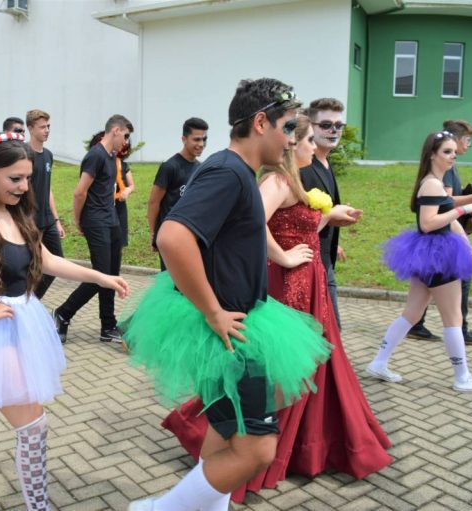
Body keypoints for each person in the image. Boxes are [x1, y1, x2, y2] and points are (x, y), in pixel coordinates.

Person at [125, 79, 331, 511]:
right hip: (229, 330)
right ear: (261, 123)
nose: (291, 139)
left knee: (227, 431)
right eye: (287, 127)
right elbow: (172, 237)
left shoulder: (238, 172)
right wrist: (213, 311)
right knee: (257, 450)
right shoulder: (228, 172)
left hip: (240, 321)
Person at [162, 114, 389, 503]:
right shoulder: (250, 176)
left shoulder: (273, 178)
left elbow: (266, 228)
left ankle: (204, 495)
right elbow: (202, 233)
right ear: (263, 125)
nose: (302, 144)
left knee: (246, 414)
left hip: (286, 291)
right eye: (298, 135)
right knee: (257, 422)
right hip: (268, 298)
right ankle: (175, 501)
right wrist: (281, 258)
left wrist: (324, 222)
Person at [0, 132, 129, 511]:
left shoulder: (16, 211)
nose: (24, 186)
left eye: (28, 178)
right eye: (14, 178)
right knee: (33, 426)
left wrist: (100, 276)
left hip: (14, 323)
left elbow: (46, 260)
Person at [367, 131, 472, 392]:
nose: (453, 156)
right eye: (447, 152)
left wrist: (465, 241)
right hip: (438, 256)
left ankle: (379, 362)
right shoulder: (432, 184)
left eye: (454, 151)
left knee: (412, 313)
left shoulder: (436, 182)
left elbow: (446, 215)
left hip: (431, 254)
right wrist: (464, 210)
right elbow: (428, 224)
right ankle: (462, 376)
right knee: (453, 317)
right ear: (432, 155)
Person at [53, 115, 133, 344]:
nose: (126, 141)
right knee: (100, 275)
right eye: (125, 135)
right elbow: (80, 192)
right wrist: (79, 220)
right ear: (115, 130)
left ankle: (108, 326)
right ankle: (63, 313)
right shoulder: (95, 156)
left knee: (111, 275)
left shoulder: (111, 156)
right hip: (96, 221)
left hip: (112, 221)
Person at [409, 119, 472, 342]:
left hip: (443, 238)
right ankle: (460, 333)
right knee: (452, 313)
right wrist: (469, 203)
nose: (467, 146)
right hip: (439, 243)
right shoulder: (437, 176)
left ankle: (415, 327)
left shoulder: (446, 168)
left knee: (415, 308)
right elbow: (444, 205)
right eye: (467, 140)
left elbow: (445, 204)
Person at [300, 98, 346, 327]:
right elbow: (291, 222)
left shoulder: (325, 163)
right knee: (329, 331)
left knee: (330, 331)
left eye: (339, 125)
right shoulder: (303, 167)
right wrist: (331, 216)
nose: (333, 130)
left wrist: (334, 236)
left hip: (324, 259)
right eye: (326, 125)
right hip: (307, 265)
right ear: (311, 126)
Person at [147, 118, 209, 270]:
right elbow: (154, 202)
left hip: (192, 236)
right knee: (170, 279)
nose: (201, 144)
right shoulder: (169, 167)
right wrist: (154, 233)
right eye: (196, 139)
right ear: (184, 139)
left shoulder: (200, 168)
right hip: (170, 237)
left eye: (204, 139)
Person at [26, 109, 65, 299]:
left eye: (48, 126)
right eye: (42, 127)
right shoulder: (24, 154)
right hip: (29, 220)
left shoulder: (48, 155)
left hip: (47, 220)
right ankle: (25, 302)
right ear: (31, 128)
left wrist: (56, 220)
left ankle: (31, 301)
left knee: (57, 263)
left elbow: (47, 188)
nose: (47, 130)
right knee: (30, 265)